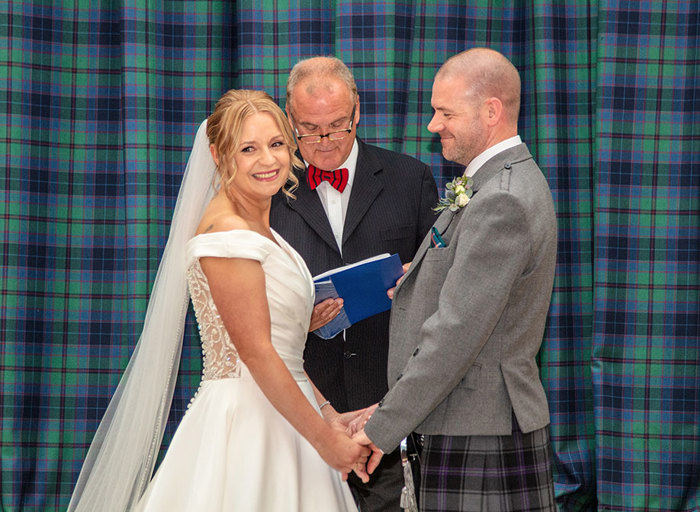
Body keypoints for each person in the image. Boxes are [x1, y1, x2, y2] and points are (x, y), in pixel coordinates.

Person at [68, 89, 372, 512]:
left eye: (276, 144)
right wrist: (327, 445)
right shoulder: (227, 235)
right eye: (249, 148)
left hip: (290, 417)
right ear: (219, 153)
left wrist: (325, 413)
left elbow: (281, 352)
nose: (268, 160)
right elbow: (257, 354)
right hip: (248, 425)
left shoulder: (261, 230)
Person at [354, 48, 558, 511]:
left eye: (446, 113)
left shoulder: (500, 200)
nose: (432, 125)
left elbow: (456, 333)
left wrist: (382, 429)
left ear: (491, 111)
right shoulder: (493, 185)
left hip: (480, 430)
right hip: (465, 422)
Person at [269, 56, 439, 511]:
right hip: (302, 406)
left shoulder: (410, 179)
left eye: (336, 126)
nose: (323, 142)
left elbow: (442, 296)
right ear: (289, 118)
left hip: (383, 407)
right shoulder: (267, 190)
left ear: (357, 112)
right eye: (308, 129)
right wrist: (295, 320)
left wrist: (412, 288)